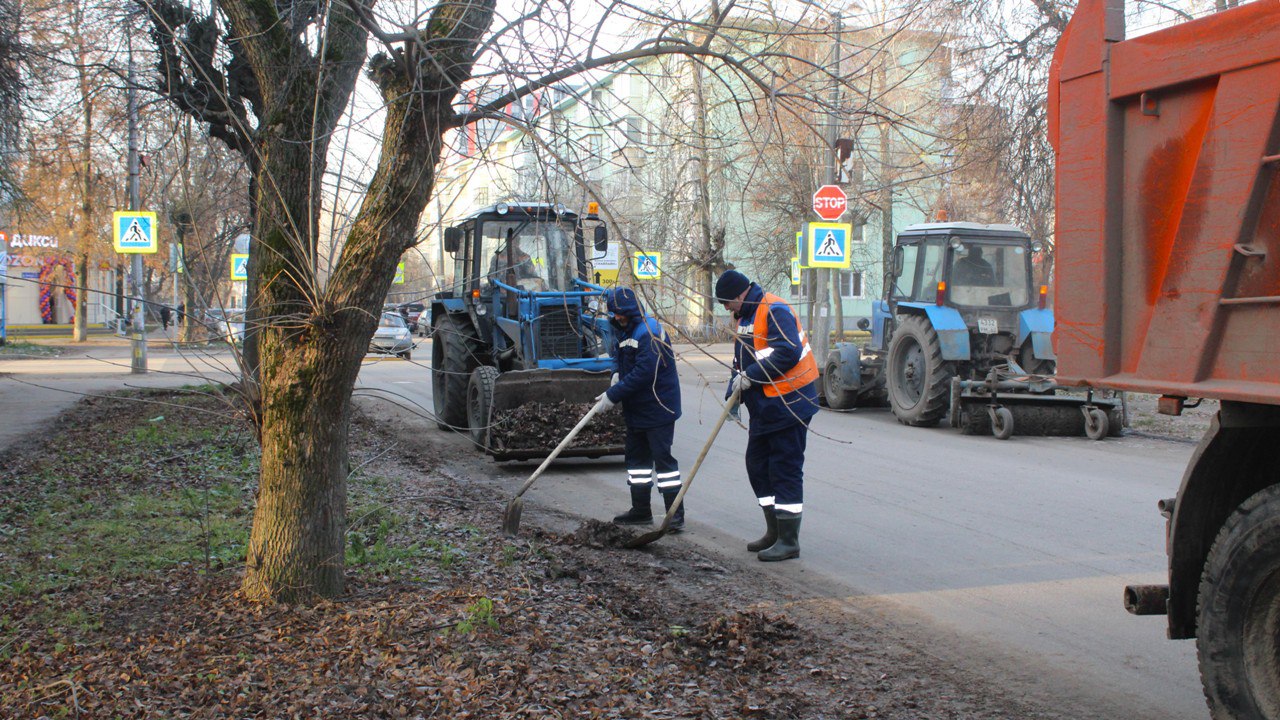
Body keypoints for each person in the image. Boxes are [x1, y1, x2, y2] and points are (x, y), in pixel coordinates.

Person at [715, 269, 819, 562]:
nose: (727, 309)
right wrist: (733, 396)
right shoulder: (745, 316)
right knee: (757, 466)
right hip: (764, 407)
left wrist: (751, 376)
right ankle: (774, 530)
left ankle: (789, 540)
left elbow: (787, 352)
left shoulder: (774, 310)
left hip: (790, 403)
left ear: (740, 294)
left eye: (727, 302)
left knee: (784, 469)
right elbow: (741, 360)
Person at [594, 287, 684, 529]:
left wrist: (613, 395)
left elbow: (644, 373)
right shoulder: (625, 328)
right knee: (637, 462)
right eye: (613, 313)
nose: (616, 317)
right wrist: (615, 372)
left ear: (630, 311)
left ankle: (674, 515)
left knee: (663, 462)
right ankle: (641, 510)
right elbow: (617, 353)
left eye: (619, 313)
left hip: (658, 406)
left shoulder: (649, 332)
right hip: (636, 408)